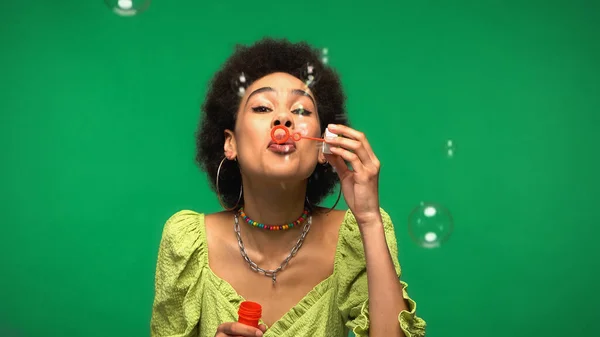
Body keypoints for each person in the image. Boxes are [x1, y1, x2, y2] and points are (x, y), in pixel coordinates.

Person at [150, 38, 426, 337]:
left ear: (324, 147)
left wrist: (369, 219)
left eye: (302, 111)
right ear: (230, 143)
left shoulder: (357, 235)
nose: (284, 119)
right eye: (262, 107)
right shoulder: (185, 242)